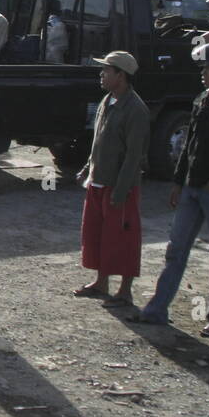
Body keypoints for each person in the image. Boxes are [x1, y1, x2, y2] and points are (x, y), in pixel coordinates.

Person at [136, 43, 209, 337]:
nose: (203, 73)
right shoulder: (200, 101)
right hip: (190, 190)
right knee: (176, 251)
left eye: (207, 68)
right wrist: (177, 181)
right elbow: (188, 147)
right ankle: (157, 309)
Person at [72, 50, 148, 308]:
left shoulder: (136, 109)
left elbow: (134, 155)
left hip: (119, 186)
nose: (101, 74)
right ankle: (101, 282)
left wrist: (121, 191)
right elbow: (99, 142)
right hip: (98, 179)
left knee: (124, 236)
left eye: (107, 70)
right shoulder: (107, 101)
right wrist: (87, 168)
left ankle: (125, 291)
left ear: (121, 76)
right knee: (97, 233)